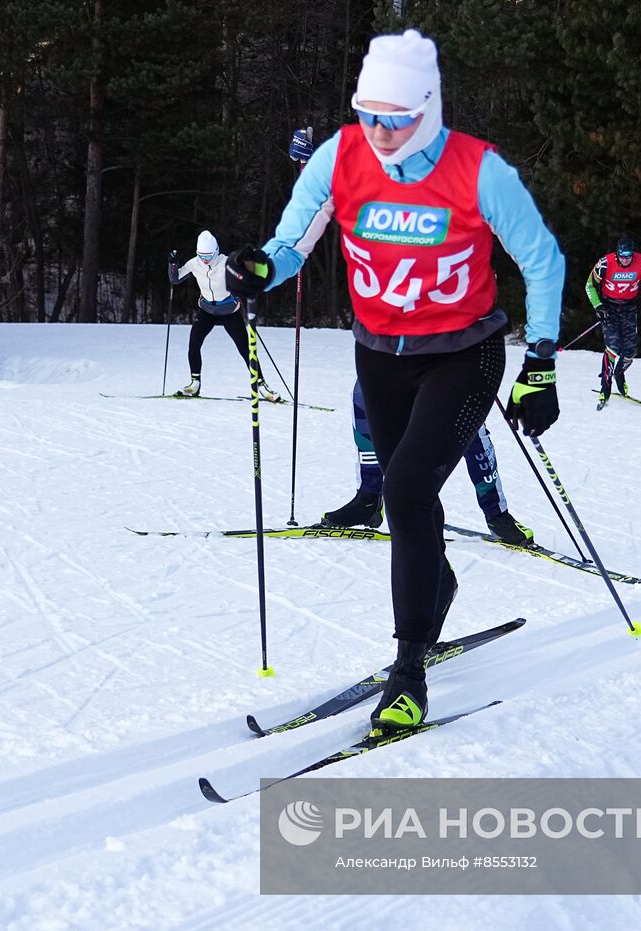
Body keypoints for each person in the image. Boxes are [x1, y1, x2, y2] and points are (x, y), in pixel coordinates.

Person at [225, 29, 564, 731]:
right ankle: (435, 582)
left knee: (405, 490)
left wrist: (540, 361)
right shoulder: (338, 155)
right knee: (410, 495)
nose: (379, 133)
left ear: (428, 108)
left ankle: (408, 671)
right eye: (369, 114)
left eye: (396, 118)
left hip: (461, 354)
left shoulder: (479, 170)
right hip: (378, 354)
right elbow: (291, 243)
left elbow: (542, 260)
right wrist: (259, 267)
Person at [321, 380, 535, 547]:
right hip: (391, 338)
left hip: (445, 343)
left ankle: (496, 514)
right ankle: (369, 499)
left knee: (467, 418)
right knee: (364, 398)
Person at [167, 230, 279, 401]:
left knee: (245, 349)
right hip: (206, 311)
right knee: (194, 345)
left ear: (216, 252)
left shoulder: (226, 262)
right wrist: (173, 264)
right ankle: (194, 383)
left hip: (229, 310)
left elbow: (247, 275)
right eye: (201, 255)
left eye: (208, 256)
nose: (205, 260)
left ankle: (261, 385)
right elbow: (175, 279)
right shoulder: (194, 263)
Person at [586, 234, 641, 401]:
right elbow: (589, 285)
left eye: (628, 257)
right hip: (609, 307)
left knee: (630, 351)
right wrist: (598, 306)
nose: (625, 260)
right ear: (617, 254)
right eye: (622, 256)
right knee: (613, 345)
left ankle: (619, 373)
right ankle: (606, 384)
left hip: (629, 307)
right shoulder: (605, 263)